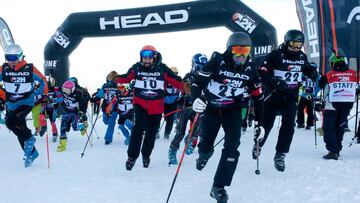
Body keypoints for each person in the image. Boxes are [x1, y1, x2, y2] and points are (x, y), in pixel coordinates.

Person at [191, 32, 264, 202]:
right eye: (237, 50)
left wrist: (260, 123)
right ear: (229, 50)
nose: (240, 55)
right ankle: (204, 154)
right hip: (212, 108)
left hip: (233, 110)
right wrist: (195, 99)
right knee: (206, 144)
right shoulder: (217, 61)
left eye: (245, 51)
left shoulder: (251, 70)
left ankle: (219, 186)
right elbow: (197, 83)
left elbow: (258, 98)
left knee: (232, 147)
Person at [112, 45, 190, 170]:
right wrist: (115, 79)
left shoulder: (162, 69)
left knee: (151, 134)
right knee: (137, 129)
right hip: (140, 104)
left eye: (149, 58)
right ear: (141, 58)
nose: (146, 61)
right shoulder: (137, 67)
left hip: (156, 108)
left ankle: (146, 155)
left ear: (154, 58)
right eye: (144, 58)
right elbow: (126, 77)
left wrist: (186, 87)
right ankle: (132, 156)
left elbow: (175, 81)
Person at [256, 29, 318, 171]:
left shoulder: (302, 56)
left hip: (290, 97)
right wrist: (274, 81)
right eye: (293, 44)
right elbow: (261, 71)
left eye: (299, 45)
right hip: (273, 95)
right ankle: (258, 145)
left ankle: (280, 154)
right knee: (267, 125)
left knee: (288, 125)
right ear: (286, 42)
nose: (296, 48)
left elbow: (307, 68)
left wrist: (312, 72)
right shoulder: (276, 55)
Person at [0, 44, 47, 167]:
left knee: (10, 123)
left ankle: (30, 139)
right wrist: (3, 95)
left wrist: (38, 94)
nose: (11, 61)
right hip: (12, 104)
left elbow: (42, 81)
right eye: (8, 58)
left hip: (26, 103)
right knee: (20, 128)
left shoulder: (28, 69)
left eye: (13, 58)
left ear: (20, 57)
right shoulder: (4, 69)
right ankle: (32, 153)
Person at [168, 53, 208, 165]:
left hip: (199, 108)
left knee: (197, 130)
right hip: (186, 107)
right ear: (194, 66)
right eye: (200, 67)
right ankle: (173, 151)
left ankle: (189, 140)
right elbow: (185, 88)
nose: (202, 70)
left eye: (204, 67)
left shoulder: (207, 78)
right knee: (180, 132)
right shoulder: (188, 77)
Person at [320, 53, 356, 160]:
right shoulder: (354, 74)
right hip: (347, 104)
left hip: (332, 104)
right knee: (340, 127)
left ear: (333, 63)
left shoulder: (329, 75)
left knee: (329, 127)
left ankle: (332, 150)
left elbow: (324, 89)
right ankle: (337, 149)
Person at [57, 79, 87, 152]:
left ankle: (83, 127)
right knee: (63, 127)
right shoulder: (63, 90)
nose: (65, 92)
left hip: (75, 112)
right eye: (64, 90)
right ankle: (63, 144)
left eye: (67, 91)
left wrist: (81, 112)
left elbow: (82, 104)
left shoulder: (78, 94)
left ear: (72, 89)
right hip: (65, 111)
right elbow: (55, 88)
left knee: (75, 127)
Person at [93, 72, 120, 145]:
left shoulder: (118, 86)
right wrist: (96, 98)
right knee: (106, 121)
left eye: (113, 78)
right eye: (110, 78)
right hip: (105, 108)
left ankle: (108, 139)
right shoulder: (105, 86)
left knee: (111, 123)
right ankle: (108, 136)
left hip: (114, 108)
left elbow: (122, 95)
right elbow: (100, 94)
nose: (111, 80)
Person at [39, 75, 63, 141]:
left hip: (52, 108)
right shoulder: (42, 90)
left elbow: (61, 98)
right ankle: (44, 126)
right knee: (41, 117)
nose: (47, 89)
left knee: (52, 122)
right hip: (44, 106)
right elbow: (37, 96)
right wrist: (41, 99)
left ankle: (55, 133)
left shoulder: (55, 91)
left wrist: (54, 100)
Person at [163, 66, 181, 139]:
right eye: (172, 73)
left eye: (175, 73)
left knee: (170, 120)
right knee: (157, 117)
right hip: (163, 102)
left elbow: (182, 90)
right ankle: (156, 131)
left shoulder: (178, 80)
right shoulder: (164, 80)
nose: (174, 75)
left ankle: (166, 134)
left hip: (173, 102)